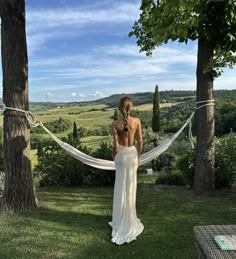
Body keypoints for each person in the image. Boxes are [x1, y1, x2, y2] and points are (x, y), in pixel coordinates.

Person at [108, 96, 144, 245]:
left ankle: (119, 219)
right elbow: (140, 141)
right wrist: (139, 155)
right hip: (132, 155)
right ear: (131, 107)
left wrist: (113, 156)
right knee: (131, 188)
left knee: (120, 187)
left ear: (119, 108)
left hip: (121, 157)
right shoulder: (137, 121)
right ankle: (130, 217)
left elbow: (116, 147)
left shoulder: (115, 124)